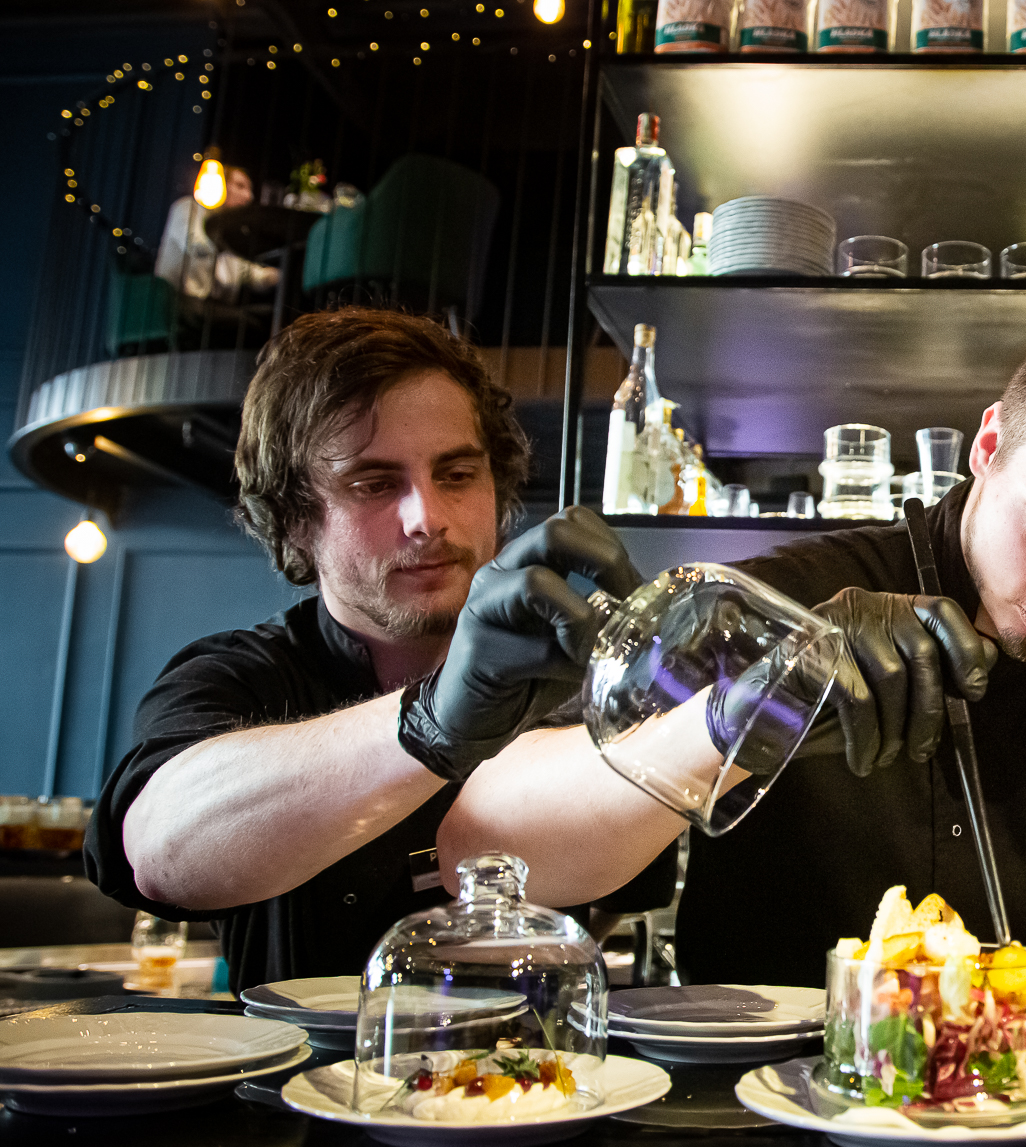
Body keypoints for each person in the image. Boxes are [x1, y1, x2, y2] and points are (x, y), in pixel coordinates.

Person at [520, 278, 1026, 992]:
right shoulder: (776, 603)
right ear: (989, 445)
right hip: (766, 1072)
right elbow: (501, 848)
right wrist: (751, 705)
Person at [83, 308, 818, 991]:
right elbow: (159, 854)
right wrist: (431, 723)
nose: (427, 517)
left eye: (458, 474)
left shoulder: (577, 678)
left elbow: (607, 896)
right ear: (295, 518)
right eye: (375, 483)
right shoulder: (240, 677)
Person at [155, 165, 281, 304]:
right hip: (174, 303)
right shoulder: (188, 208)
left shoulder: (233, 229)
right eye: (240, 186)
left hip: (214, 308)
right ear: (219, 185)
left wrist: (282, 275)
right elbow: (196, 246)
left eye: (250, 190)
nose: (249, 196)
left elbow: (252, 275)